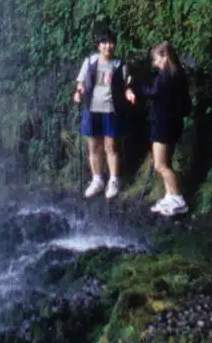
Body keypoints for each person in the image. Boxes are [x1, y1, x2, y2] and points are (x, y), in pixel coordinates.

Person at [74, 32, 136, 199]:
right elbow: (81, 83)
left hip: (111, 109)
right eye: (104, 42)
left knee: (111, 145)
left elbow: (127, 85)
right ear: (98, 45)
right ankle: (97, 180)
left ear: (115, 45)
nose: (108, 46)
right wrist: (78, 93)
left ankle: (114, 180)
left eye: (111, 43)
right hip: (91, 108)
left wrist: (129, 93)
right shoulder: (90, 61)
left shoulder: (120, 65)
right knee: (93, 146)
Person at [146, 42, 191, 217]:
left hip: (163, 124)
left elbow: (153, 93)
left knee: (160, 165)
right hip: (173, 123)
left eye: (156, 59)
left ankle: (178, 199)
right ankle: (169, 196)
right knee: (166, 162)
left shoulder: (166, 76)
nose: (155, 63)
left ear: (165, 57)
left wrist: (132, 89)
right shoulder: (178, 74)